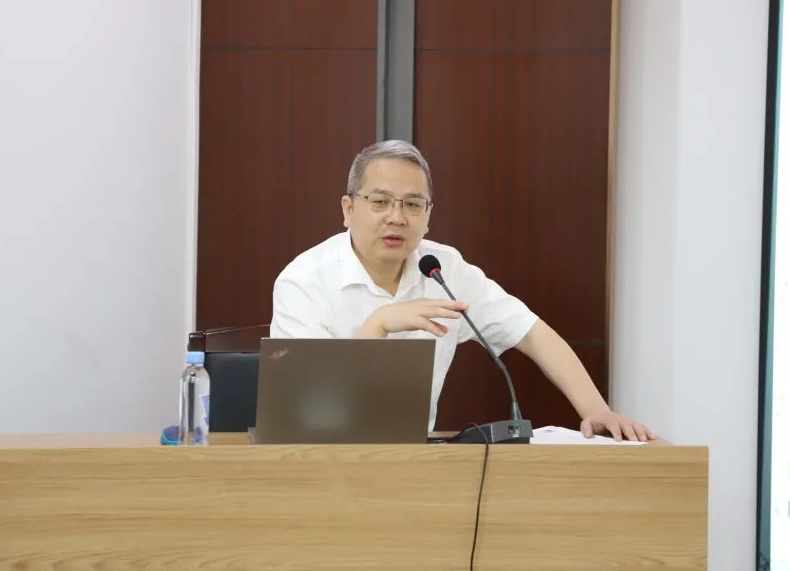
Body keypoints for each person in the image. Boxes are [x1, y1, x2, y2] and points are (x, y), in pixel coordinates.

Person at [271, 140, 654, 441]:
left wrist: (596, 410)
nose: (396, 217)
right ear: (348, 209)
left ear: (428, 217)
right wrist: (377, 325)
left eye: (413, 204)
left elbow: (531, 332)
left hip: (414, 459)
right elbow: (309, 412)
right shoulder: (303, 281)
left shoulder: (443, 269)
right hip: (322, 458)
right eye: (380, 201)